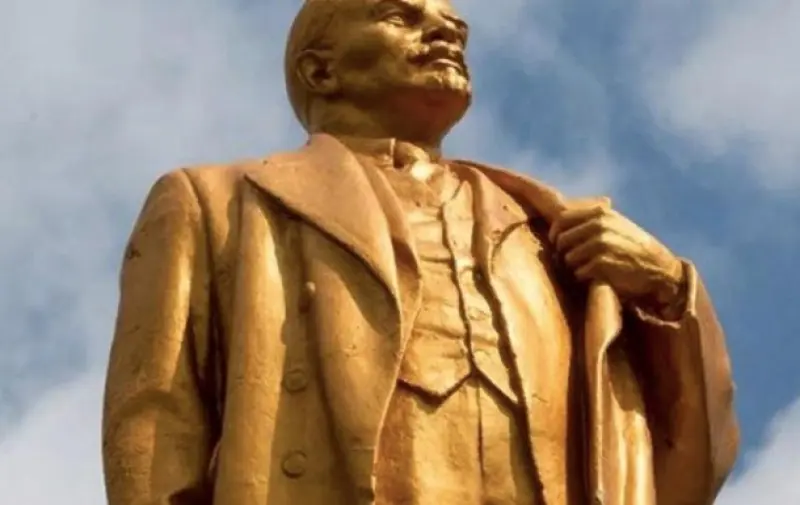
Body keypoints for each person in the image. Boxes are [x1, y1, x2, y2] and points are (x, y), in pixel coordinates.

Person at [102, 0, 739, 504]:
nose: (444, 31)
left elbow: (681, 463)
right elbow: (154, 427)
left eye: (453, 24)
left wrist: (668, 290)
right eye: (400, 15)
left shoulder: (548, 229)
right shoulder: (214, 201)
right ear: (320, 71)